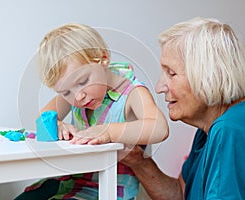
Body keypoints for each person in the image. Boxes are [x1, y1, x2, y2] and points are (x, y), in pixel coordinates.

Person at [15, 23, 169, 200]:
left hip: (109, 189)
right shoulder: (75, 93)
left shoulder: (132, 92)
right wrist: (57, 124)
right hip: (72, 180)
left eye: (82, 82)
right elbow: (43, 117)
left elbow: (160, 128)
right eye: (65, 92)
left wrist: (109, 131)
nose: (77, 97)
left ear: (102, 60)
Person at [120, 17, 245, 200]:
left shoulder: (228, 129)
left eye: (171, 73)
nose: (159, 87)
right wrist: (138, 161)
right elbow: (180, 194)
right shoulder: (209, 129)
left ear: (207, 75)